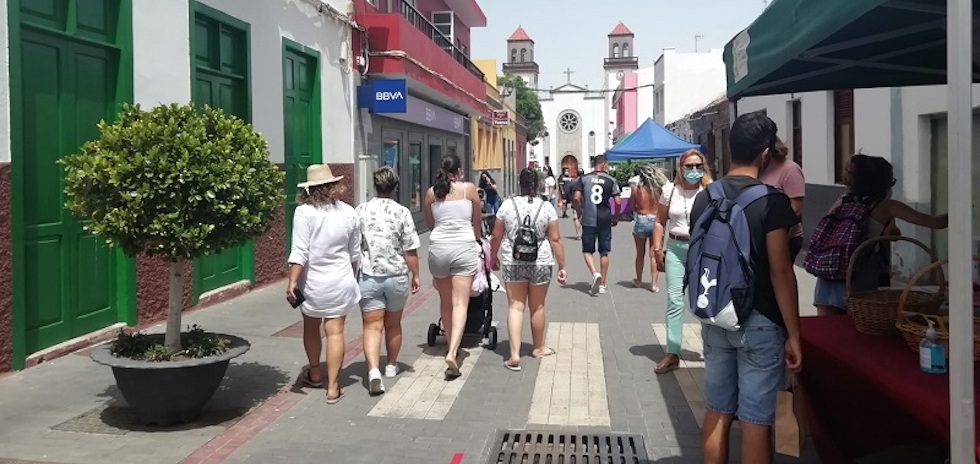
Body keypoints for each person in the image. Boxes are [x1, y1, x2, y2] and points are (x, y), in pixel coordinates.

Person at [692, 113, 801, 464]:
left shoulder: (704, 197)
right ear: (766, 153)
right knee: (755, 421)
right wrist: (794, 334)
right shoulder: (772, 201)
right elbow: (781, 273)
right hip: (760, 321)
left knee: (717, 411)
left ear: (729, 146)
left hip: (716, 315)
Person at [812, 154, 948, 315]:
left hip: (828, 277)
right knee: (859, 332)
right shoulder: (886, 207)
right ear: (883, 183)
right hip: (859, 279)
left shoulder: (843, 200)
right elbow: (936, 223)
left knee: (827, 333)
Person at [286, 164, 360, 404]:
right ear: (333, 186)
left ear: (308, 190)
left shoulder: (304, 213)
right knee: (336, 330)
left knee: (311, 326)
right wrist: (350, 276)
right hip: (341, 281)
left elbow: (300, 252)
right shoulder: (349, 212)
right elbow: (354, 254)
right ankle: (333, 387)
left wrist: (292, 282)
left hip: (314, 285)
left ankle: (315, 373)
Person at [490, 168, 568, 371]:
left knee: (515, 306)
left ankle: (514, 354)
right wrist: (562, 265)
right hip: (540, 261)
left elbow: (496, 235)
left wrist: (492, 258)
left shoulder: (507, 205)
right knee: (538, 306)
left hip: (513, 260)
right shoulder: (547, 207)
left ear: (520, 184)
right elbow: (555, 239)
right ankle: (538, 348)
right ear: (537, 186)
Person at [356, 167, 422, 395]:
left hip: (369, 276)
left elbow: (356, 248)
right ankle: (392, 366)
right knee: (393, 324)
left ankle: (373, 371)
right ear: (395, 187)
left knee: (372, 326)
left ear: (375, 186)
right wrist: (416, 275)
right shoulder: (402, 212)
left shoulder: (361, 211)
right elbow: (410, 249)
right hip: (396, 277)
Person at [652, 149, 714, 373]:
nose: (694, 171)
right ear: (681, 168)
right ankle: (673, 352)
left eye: (698, 166)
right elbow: (659, 221)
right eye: (689, 166)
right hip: (676, 248)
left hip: (702, 249)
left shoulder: (709, 190)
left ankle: (713, 350)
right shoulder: (670, 191)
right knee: (675, 301)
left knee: (704, 299)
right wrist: (657, 248)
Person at [424, 153, 482, 379]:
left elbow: (430, 224)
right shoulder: (469, 190)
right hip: (463, 248)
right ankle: (453, 351)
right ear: (459, 171)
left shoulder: (431, 193)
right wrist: (478, 240)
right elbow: (476, 221)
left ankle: (450, 344)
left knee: (445, 302)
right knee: (460, 304)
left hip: (438, 249)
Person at [573, 155, 621, 295]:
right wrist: (616, 216)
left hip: (588, 219)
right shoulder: (611, 180)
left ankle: (595, 273)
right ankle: (603, 284)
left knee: (587, 250)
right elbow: (618, 202)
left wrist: (580, 213)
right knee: (604, 251)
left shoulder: (583, 179)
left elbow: (576, 198)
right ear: (604, 164)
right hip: (605, 219)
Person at [760, 138, 806, 261]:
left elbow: (795, 211)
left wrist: (780, 242)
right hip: (764, 238)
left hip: (786, 237)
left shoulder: (790, 170)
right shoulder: (760, 169)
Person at [630, 164, 671, 292]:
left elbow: (632, 206)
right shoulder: (659, 189)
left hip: (642, 219)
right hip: (656, 220)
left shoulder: (637, 189)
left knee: (640, 254)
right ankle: (654, 284)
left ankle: (639, 280)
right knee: (654, 254)